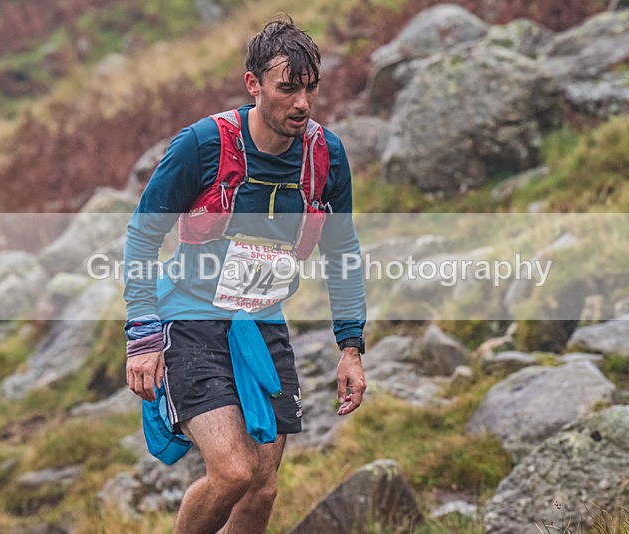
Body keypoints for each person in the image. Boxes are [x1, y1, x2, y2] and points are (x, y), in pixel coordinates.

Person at [123, 15, 367, 534]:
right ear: (253, 84)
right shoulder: (202, 145)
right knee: (233, 471)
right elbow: (143, 235)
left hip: (262, 324)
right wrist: (142, 335)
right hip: (190, 321)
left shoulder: (326, 156)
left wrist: (350, 347)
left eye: (311, 88)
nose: (302, 103)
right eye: (287, 88)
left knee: (263, 487)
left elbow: (343, 251)